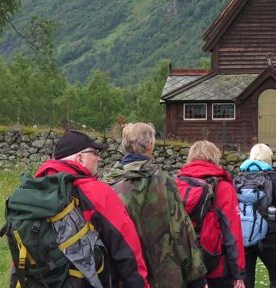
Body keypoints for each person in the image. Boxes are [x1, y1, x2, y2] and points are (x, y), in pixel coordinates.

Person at [16, 130, 150, 287]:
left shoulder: (31, 192)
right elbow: (126, 251)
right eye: (94, 152)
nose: (99, 158)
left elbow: (20, 252)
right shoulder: (97, 193)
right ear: (79, 158)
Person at [104, 123, 207, 288]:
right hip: (165, 274)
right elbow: (181, 230)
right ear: (149, 146)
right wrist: (196, 276)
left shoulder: (108, 186)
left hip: (126, 275)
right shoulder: (163, 182)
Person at [176, 141, 246, 288]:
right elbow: (233, 233)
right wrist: (238, 273)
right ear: (215, 158)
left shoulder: (176, 184)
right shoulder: (224, 187)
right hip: (217, 267)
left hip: (185, 266)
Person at [237, 144, 276, 288]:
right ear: (269, 159)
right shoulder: (274, 178)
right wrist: (271, 212)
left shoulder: (239, 178)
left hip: (244, 235)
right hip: (270, 235)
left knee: (247, 280)